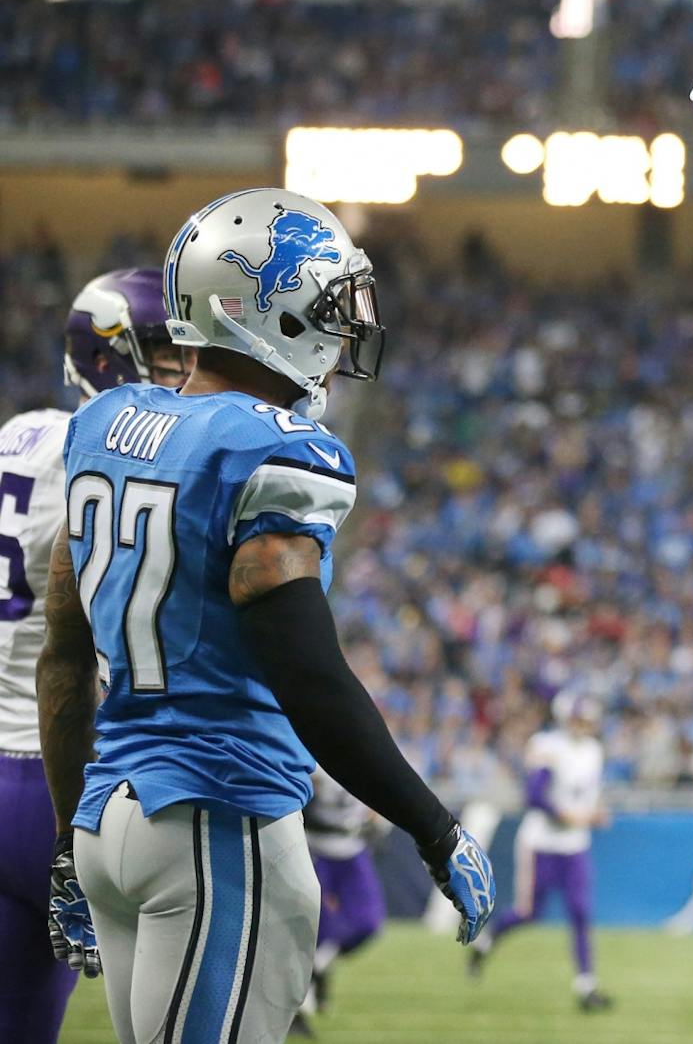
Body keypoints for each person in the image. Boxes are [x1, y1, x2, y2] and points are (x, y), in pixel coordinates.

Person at [38, 188, 495, 1044]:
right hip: (219, 816)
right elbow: (308, 673)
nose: (343, 328)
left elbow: (64, 659)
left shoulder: (103, 422)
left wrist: (69, 837)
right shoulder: (274, 449)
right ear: (266, 310)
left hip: (110, 818)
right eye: (327, 306)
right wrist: (434, 827)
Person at [0, 270, 187, 1043]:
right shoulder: (118, 459)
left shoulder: (17, 432)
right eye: (166, 353)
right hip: (67, 778)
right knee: (177, 1019)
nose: (183, 370)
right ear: (112, 354)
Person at [468, 691, 612, 1011]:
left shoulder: (593, 750)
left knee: (580, 912)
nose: (584, 725)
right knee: (529, 913)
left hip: (574, 844)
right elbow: (533, 796)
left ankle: (586, 987)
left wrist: (593, 812)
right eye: (579, 718)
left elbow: (586, 795)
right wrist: (571, 815)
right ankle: (487, 941)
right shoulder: (548, 746)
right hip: (541, 843)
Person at [298, 768, 386, 1030]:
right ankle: (298, 1010)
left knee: (368, 923)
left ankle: (320, 965)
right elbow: (301, 808)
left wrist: (373, 825)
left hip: (352, 851)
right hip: (313, 849)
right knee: (309, 932)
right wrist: (342, 825)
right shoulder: (313, 751)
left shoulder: (366, 747)